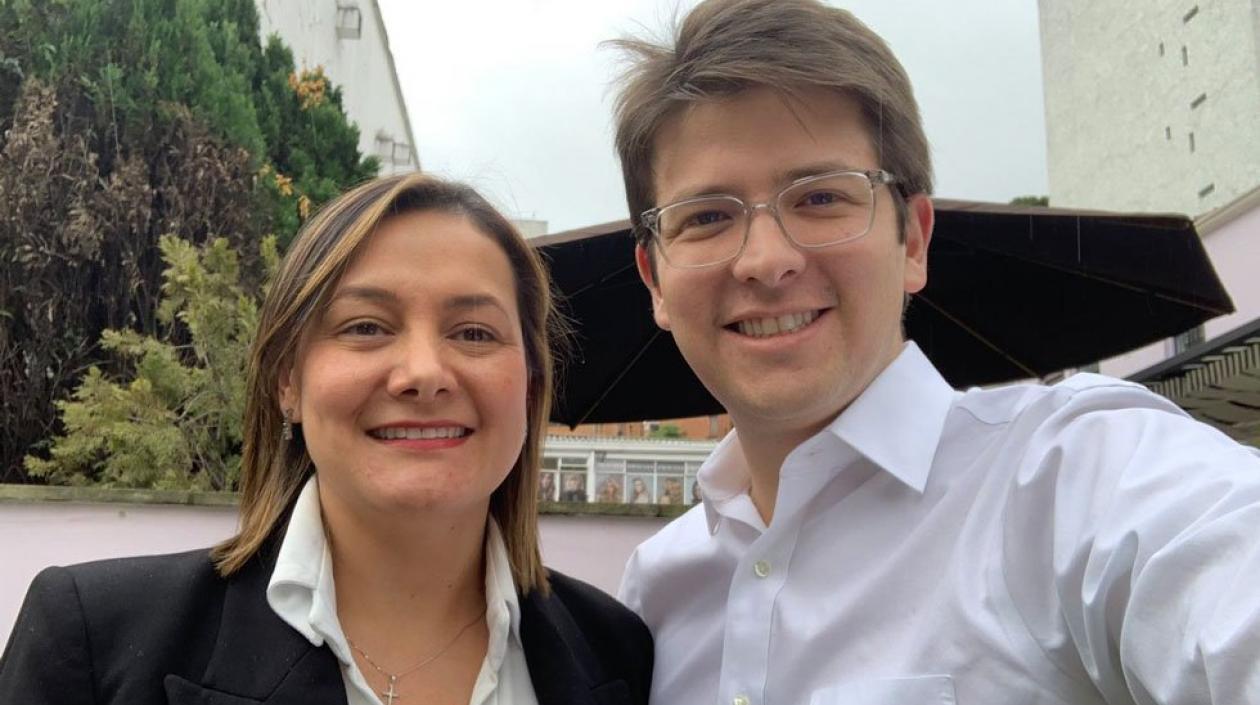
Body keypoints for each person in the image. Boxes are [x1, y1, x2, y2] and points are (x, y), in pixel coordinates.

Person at [609, 1, 1260, 703]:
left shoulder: (1073, 476)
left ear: (914, 240)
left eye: (821, 198)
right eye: (707, 217)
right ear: (655, 279)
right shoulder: (653, 595)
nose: (766, 261)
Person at [0, 174, 653, 705]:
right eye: (366, 326)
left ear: (532, 384)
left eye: (474, 333)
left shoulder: (617, 652)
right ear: (288, 379)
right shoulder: (93, 642)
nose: (424, 372)